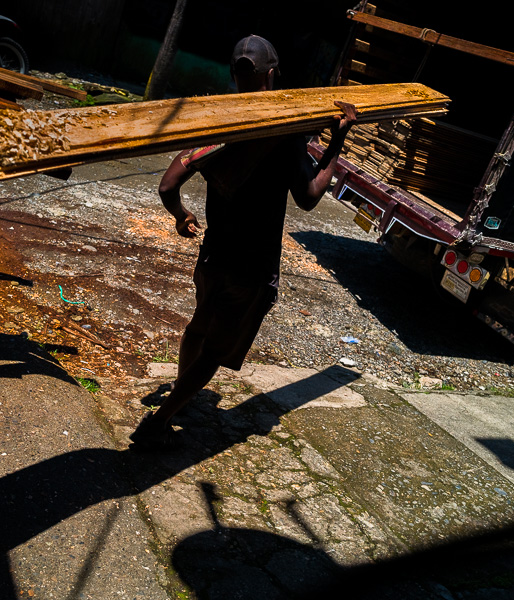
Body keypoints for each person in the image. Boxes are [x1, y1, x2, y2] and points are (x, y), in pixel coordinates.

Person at [129, 34, 357, 449]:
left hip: (213, 256)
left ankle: (180, 397)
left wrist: (182, 216)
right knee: (214, 350)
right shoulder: (285, 133)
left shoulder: (218, 122)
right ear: (273, 74)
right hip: (251, 268)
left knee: (199, 325)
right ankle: (161, 420)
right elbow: (308, 199)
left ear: (234, 75)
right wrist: (337, 143)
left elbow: (167, 185)